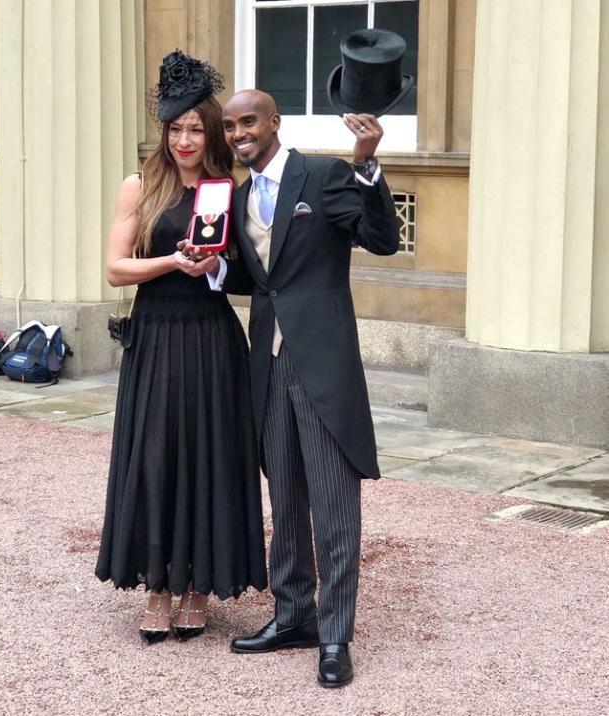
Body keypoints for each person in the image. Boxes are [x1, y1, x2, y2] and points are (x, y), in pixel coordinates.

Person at [188, 89, 400, 686]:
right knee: (284, 495)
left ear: (274, 122)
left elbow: (381, 239)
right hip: (269, 363)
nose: (237, 134)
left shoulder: (325, 175)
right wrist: (212, 267)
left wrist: (365, 163)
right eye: (229, 127)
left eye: (248, 121)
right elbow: (252, 276)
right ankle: (293, 614)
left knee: (333, 504)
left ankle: (334, 635)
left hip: (323, 361)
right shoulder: (233, 196)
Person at [95, 53, 267, 643]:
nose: (186, 139)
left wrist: (218, 264)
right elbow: (115, 270)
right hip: (157, 335)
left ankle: (198, 586)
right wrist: (172, 261)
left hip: (212, 337)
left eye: (196, 128)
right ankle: (158, 587)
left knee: (210, 453)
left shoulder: (229, 190)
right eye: (176, 128)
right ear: (163, 132)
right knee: (156, 457)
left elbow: (250, 271)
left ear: (211, 131)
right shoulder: (140, 186)